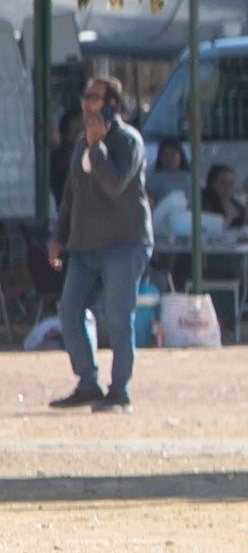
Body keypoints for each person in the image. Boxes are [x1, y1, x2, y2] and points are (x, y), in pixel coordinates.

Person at [47, 76, 149, 411]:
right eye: (84, 96)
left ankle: (119, 392)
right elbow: (71, 195)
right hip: (85, 246)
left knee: (119, 318)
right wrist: (59, 237)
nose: (86, 103)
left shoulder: (127, 141)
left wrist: (97, 146)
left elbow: (115, 184)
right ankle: (87, 383)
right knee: (70, 310)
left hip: (124, 244)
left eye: (93, 97)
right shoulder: (81, 143)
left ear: (112, 105)